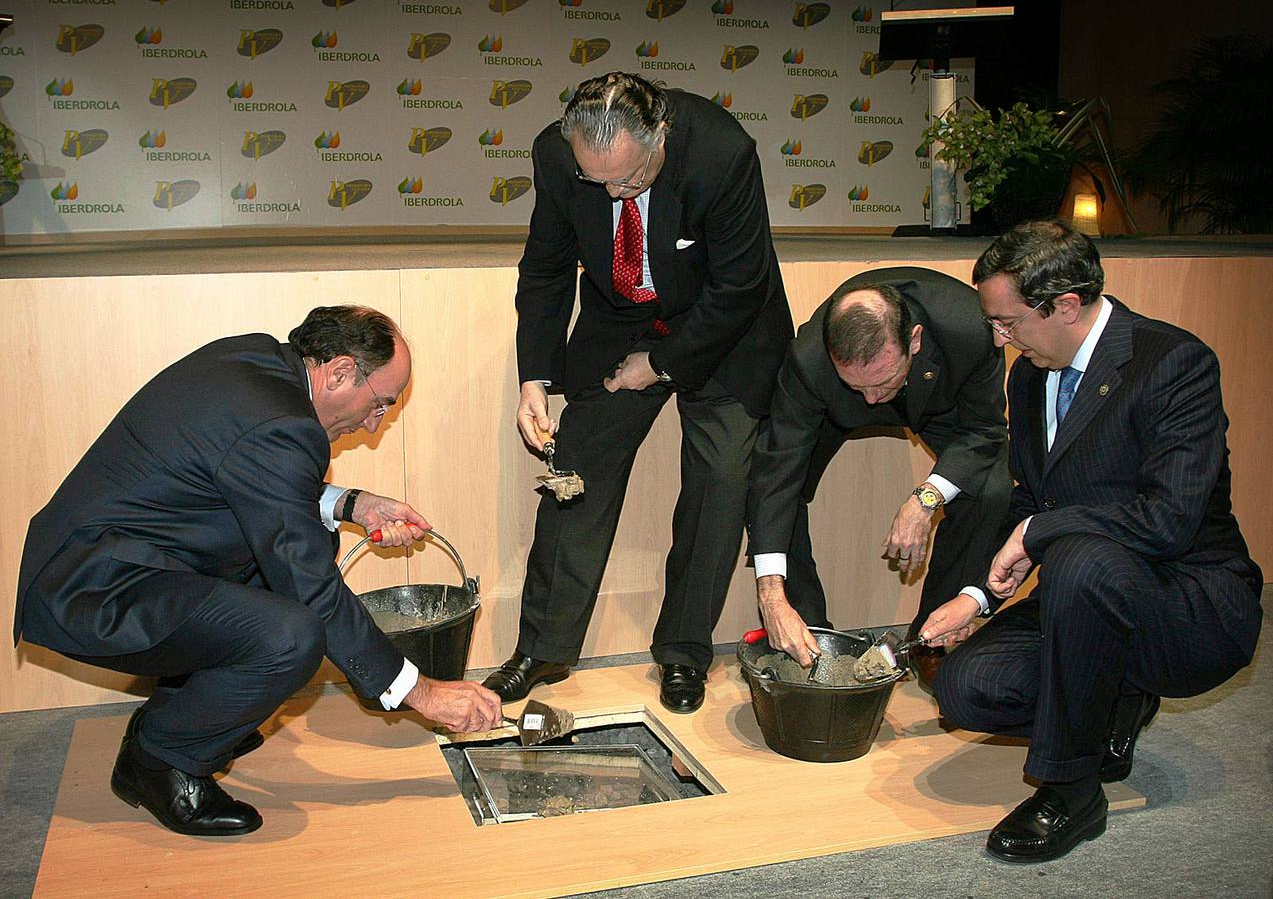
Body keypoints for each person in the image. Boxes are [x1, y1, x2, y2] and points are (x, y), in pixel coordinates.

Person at [14, 306, 504, 837]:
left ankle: (197, 713)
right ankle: (158, 759)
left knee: (309, 540)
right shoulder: (281, 426)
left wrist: (353, 504)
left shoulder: (258, 363)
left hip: (109, 559)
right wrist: (424, 693)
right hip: (91, 591)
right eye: (381, 402)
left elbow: (241, 477)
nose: (374, 421)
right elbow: (312, 588)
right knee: (292, 634)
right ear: (340, 372)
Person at [920, 221, 1263, 863]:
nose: (999, 339)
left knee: (1077, 555)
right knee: (966, 688)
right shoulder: (1028, 377)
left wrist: (1041, 531)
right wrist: (975, 597)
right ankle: (1113, 701)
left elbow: (1168, 521)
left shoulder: (1174, 363)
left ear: (1067, 306)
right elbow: (1032, 501)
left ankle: (1071, 792)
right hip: (1086, 601)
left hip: (1191, 604)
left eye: (1007, 322)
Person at [484, 72, 792, 713]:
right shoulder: (555, 154)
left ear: (660, 137)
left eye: (630, 179)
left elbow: (740, 286)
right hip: (620, 316)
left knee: (720, 479)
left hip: (725, 326)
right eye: (600, 184)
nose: (616, 193)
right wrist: (533, 378)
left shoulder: (720, 152)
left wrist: (661, 366)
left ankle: (684, 653)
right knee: (577, 471)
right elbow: (544, 269)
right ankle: (542, 648)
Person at [747, 269, 1011, 679]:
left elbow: (985, 430)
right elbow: (776, 473)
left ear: (916, 340)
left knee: (991, 489)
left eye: (883, 381)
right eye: (859, 384)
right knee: (784, 488)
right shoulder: (810, 359)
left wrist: (926, 498)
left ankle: (931, 640)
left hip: (938, 404)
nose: (873, 399)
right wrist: (771, 594)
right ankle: (808, 637)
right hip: (833, 407)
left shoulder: (969, 328)